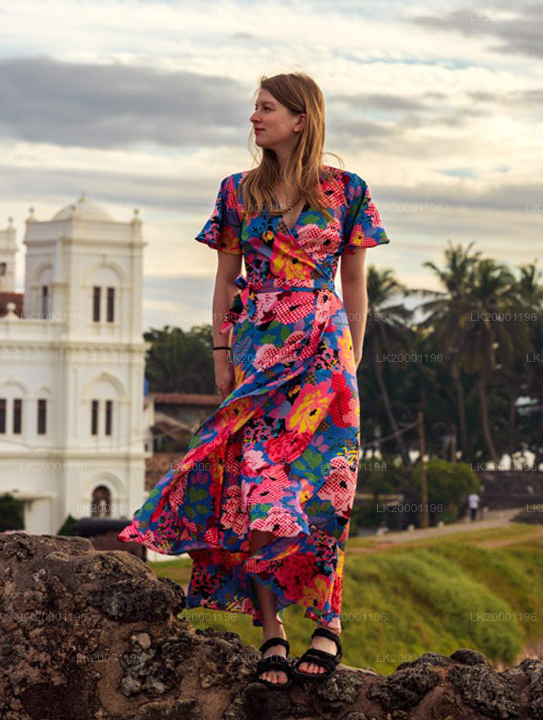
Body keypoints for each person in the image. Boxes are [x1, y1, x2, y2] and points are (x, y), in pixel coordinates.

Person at [118, 71, 390, 688]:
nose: (253, 118)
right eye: (254, 108)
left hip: (325, 357)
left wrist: (354, 361)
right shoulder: (237, 193)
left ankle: (328, 624)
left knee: (327, 493)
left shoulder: (347, 191)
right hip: (257, 354)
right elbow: (224, 280)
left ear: (300, 119)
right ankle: (272, 634)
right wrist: (220, 351)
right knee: (257, 495)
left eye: (265, 108)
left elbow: (356, 287)